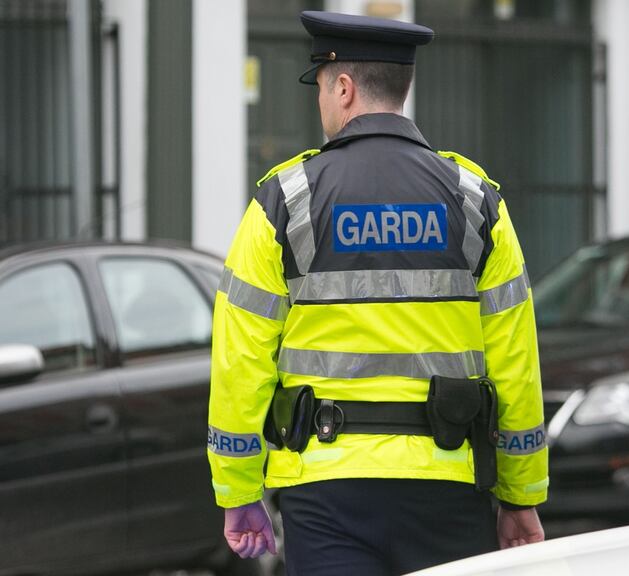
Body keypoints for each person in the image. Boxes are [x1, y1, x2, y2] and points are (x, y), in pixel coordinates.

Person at [206, 11, 547, 575]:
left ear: (343, 87)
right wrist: (521, 495)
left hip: (325, 492)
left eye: (319, 86)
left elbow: (241, 357)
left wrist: (237, 489)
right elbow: (516, 360)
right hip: (448, 485)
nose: (320, 101)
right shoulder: (475, 200)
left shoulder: (284, 202)